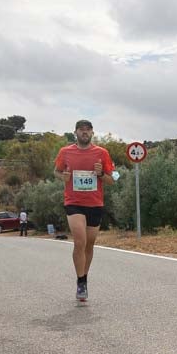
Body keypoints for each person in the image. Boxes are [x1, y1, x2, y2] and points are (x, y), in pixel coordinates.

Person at [54, 119, 116, 304]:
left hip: (95, 204)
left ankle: (84, 278)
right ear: (75, 133)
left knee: (89, 245)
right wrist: (62, 176)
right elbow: (56, 172)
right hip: (73, 203)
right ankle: (80, 281)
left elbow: (113, 179)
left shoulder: (102, 153)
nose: (84, 133)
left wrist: (100, 174)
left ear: (92, 133)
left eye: (88, 130)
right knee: (79, 241)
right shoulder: (65, 152)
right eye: (81, 130)